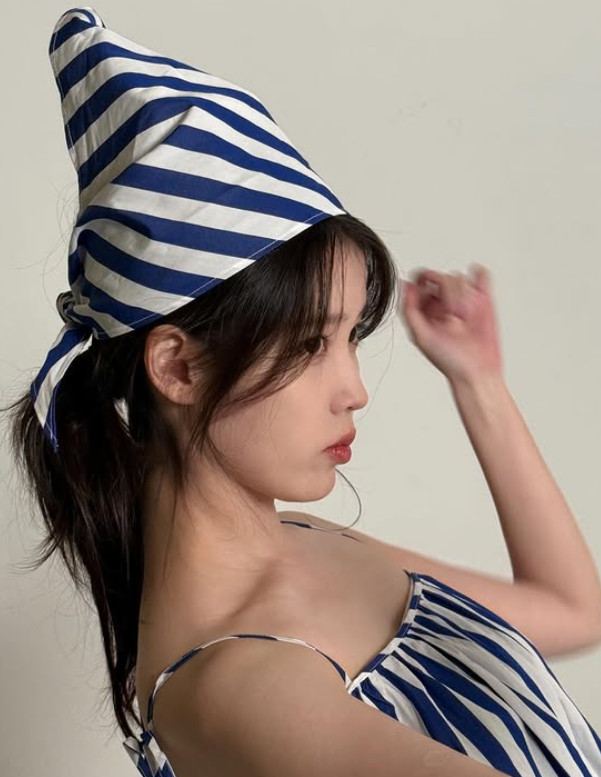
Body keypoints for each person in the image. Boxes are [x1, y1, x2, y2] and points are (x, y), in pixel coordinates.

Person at [3, 7, 601, 777]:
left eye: (351, 336)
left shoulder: (310, 540)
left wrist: (478, 381)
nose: (354, 389)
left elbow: (571, 610)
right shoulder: (236, 685)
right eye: (310, 344)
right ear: (177, 367)